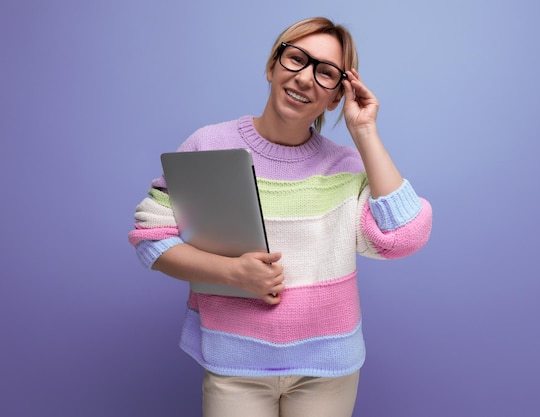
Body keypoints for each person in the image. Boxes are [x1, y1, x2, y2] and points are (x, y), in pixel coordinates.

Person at [128, 16, 432, 417]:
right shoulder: (207, 145)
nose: (306, 78)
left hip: (328, 368)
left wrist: (366, 133)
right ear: (272, 66)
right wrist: (232, 272)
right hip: (234, 364)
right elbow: (151, 237)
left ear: (337, 96)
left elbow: (403, 238)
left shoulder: (347, 166)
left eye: (325, 73)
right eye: (296, 60)